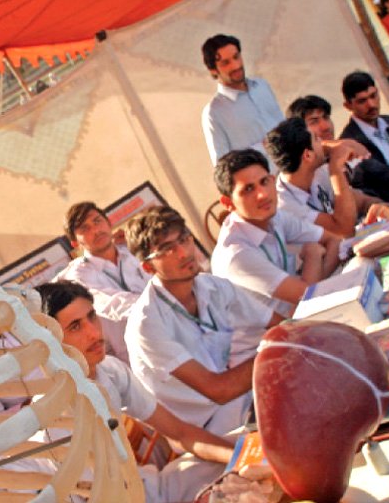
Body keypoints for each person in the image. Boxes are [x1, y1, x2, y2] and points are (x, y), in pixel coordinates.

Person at [36, 280, 232, 502]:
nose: (93, 333)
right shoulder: (52, 419)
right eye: (75, 326)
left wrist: (241, 458)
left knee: (239, 451)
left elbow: (180, 433)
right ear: (51, 342)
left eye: (91, 317)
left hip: (146, 487)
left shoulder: (110, 370)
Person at [124, 205, 284, 437]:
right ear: (148, 267)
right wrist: (280, 352)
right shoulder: (146, 323)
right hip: (206, 429)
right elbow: (219, 390)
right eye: (168, 249)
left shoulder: (212, 286)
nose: (184, 252)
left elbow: (278, 323)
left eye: (184, 239)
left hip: (241, 401)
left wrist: (292, 340)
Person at [211, 149, 341, 306]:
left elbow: (334, 239)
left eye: (264, 182)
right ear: (228, 203)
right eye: (249, 189)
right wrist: (314, 257)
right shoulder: (236, 253)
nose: (263, 194)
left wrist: (315, 277)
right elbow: (306, 296)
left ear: (273, 180)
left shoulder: (275, 216)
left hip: (302, 311)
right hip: (278, 328)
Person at [56, 201, 151, 364]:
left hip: (174, 334)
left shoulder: (134, 251)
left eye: (97, 221)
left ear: (109, 222)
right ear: (74, 243)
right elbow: (111, 304)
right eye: (84, 229)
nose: (95, 230)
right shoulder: (78, 276)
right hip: (135, 358)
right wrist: (164, 303)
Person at [265, 117, 389, 237]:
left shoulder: (317, 172)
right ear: (308, 156)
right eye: (316, 139)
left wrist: (379, 207)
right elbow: (343, 230)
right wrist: (336, 168)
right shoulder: (285, 206)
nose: (322, 143)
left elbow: (362, 202)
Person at [287, 95, 389, 203]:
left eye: (326, 117)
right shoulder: (303, 175)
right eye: (314, 122)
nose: (325, 126)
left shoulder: (348, 152)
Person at [201, 34, 284, 165]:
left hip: (299, 174)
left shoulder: (262, 86)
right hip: (266, 182)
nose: (235, 65)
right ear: (212, 70)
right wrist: (262, 148)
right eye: (225, 63)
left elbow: (282, 123)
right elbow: (222, 165)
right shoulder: (213, 113)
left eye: (236, 57)